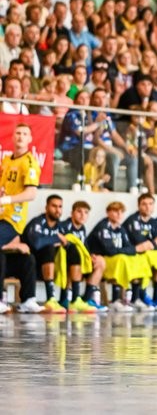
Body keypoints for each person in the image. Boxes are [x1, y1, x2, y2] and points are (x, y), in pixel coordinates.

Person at [0, 123, 44, 314]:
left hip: (12, 219)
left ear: (30, 139)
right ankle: (27, 299)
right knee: (23, 258)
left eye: (25, 134)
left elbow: (31, 193)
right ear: (12, 136)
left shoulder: (30, 163)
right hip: (1, 216)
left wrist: (7, 199)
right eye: (18, 133)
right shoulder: (6, 161)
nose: (20, 136)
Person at [86, 202, 150, 313]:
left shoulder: (121, 228)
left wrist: (134, 250)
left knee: (137, 259)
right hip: (99, 259)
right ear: (108, 213)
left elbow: (128, 247)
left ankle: (135, 298)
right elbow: (110, 251)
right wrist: (135, 249)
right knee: (121, 260)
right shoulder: (103, 227)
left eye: (121, 212)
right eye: (116, 211)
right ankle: (115, 300)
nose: (119, 214)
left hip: (112, 258)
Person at [123, 193, 157, 310]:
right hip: (132, 254)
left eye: (150, 204)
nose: (148, 207)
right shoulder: (133, 220)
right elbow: (140, 243)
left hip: (147, 253)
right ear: (139, 206)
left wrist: (151, 244)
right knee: (144, 258)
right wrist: (153, 243)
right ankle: (140, 297)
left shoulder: (153, 222)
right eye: (144, 204)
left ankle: (156, 297)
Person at [24, 194, 70, 313]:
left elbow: (67, 243)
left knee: (71, 253)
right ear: (46, 207)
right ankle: (51, 299)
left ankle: (66, 299)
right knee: (49, 248)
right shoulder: (38, 222)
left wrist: (62, 243)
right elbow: (36, 243)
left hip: (53, 266)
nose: (57, 210)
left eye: (60, 206)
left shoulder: (61, 226)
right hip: (32, 266)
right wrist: (56, 238)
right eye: (54, 206)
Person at [58, 200, 107, 312]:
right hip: (66, 261)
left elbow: (84, 247)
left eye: (86, 212)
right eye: (79, 211)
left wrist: (90, 256)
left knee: (100, 261)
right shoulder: (64, 226)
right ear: (72, 213)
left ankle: (86, 299)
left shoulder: (82, 228)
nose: (82, 215)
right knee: (75, 258)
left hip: (80, 260)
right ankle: (65, 298)